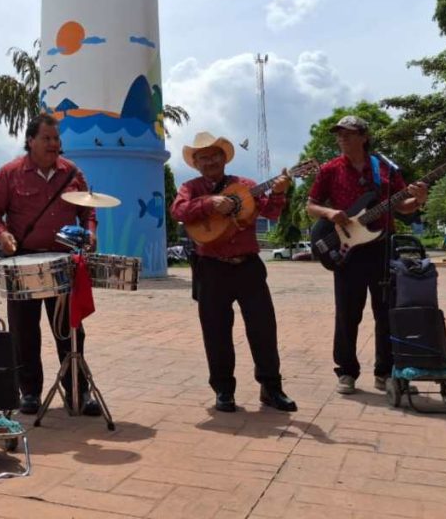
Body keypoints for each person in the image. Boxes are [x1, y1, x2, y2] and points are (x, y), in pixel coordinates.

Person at [0, 113, 101, 416]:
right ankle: (30, 392)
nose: (53, 144)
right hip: (23, 261)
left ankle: (78, 391)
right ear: (31, 140)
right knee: (24, 331)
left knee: (70, 328)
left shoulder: (72, 172)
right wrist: (2, 234)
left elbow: (88, 212)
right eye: (47, 138)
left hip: (63, 262)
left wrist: (90, 233)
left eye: (56, 138)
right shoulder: (10, 173)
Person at [169, 131, 298, 413]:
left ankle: (271, 387)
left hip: (248, 266)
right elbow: (178, 212)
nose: (210, 161)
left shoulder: (247, 185)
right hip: (210, 268)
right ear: (196, 163)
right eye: (203, 157)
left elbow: (272, 214)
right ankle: (224, 390)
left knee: (263, 327)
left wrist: (278, 192)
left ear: (224, 158)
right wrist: (208, 203)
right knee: (215, 332)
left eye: (215, 155)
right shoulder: (190, 187)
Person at [305, 115, 428, 395]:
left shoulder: (384, 168)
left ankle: (384, 372)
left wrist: (419, 198)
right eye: (339, 135)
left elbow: (403, 206)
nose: (342, 139)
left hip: (382, 248)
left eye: (347, 134)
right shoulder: (330, 169)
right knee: (348, 313)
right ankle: (347, 371)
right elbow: (311, 205)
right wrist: (330, 213)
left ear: (363, 136)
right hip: (347, 250)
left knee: (386, 312)